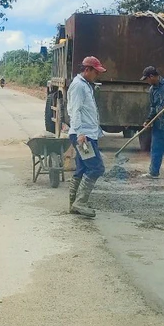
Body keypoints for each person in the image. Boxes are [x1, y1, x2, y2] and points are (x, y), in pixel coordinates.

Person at [66, 56, 107, 218]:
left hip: (87, 134)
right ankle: (80, 202)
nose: (97, 75)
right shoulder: (78, 87)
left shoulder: (85, 85)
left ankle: (73, 204)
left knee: (82, 168)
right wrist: (80, 133)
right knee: (97, 168)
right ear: (87, 70)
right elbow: (74, 111)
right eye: (95, 72)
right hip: (84, 136)